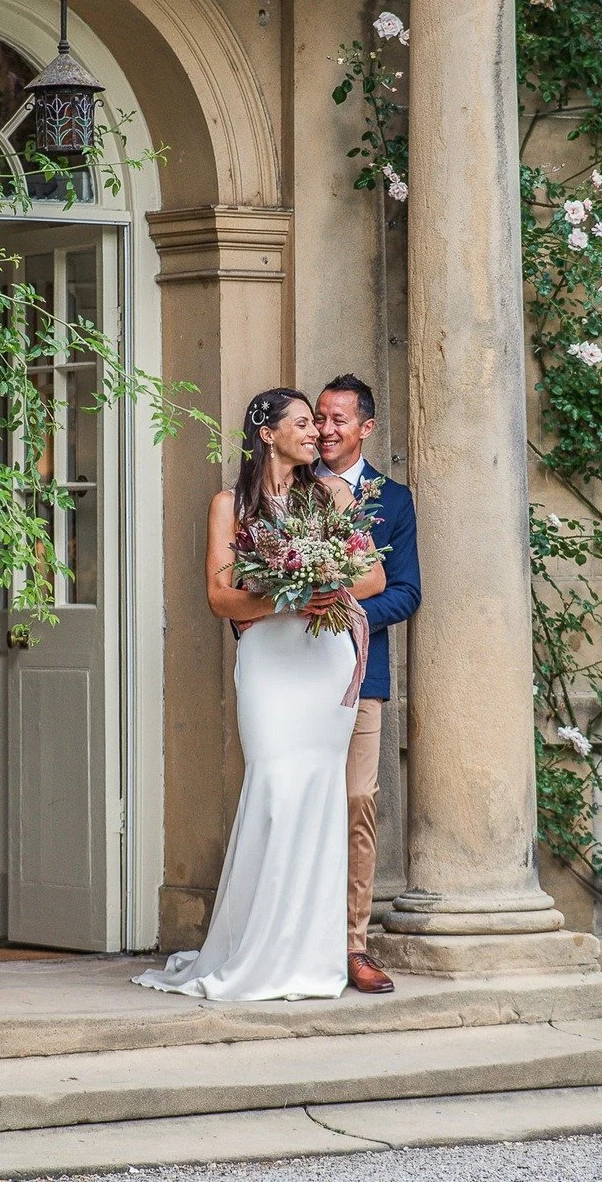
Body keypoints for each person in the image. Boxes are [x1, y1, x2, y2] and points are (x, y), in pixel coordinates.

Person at [134, 388, 385, 1001]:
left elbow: (374, 575)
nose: (316, 433)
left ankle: (310, 954)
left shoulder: (331, 496)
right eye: (302, 423)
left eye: (317, 424)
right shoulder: (230, 505)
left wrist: (327, 578)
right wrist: (287, 594)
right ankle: (256, 949)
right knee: (273, 787)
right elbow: (221, 598)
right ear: (267, 433)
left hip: (325, 658)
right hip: (270, 661)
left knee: (320, 799)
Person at [313, 374, 420, 996]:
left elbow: (406, 592)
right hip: (292, 671)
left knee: (357, 803)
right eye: (319, 418)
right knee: (302, 801)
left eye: (339, 420)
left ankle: (353, 945)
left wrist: (341, 614)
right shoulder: (290, 488)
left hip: (361, 673)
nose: (326, 430)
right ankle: (299, 938)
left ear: (366, 428)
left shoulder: (393, 500)